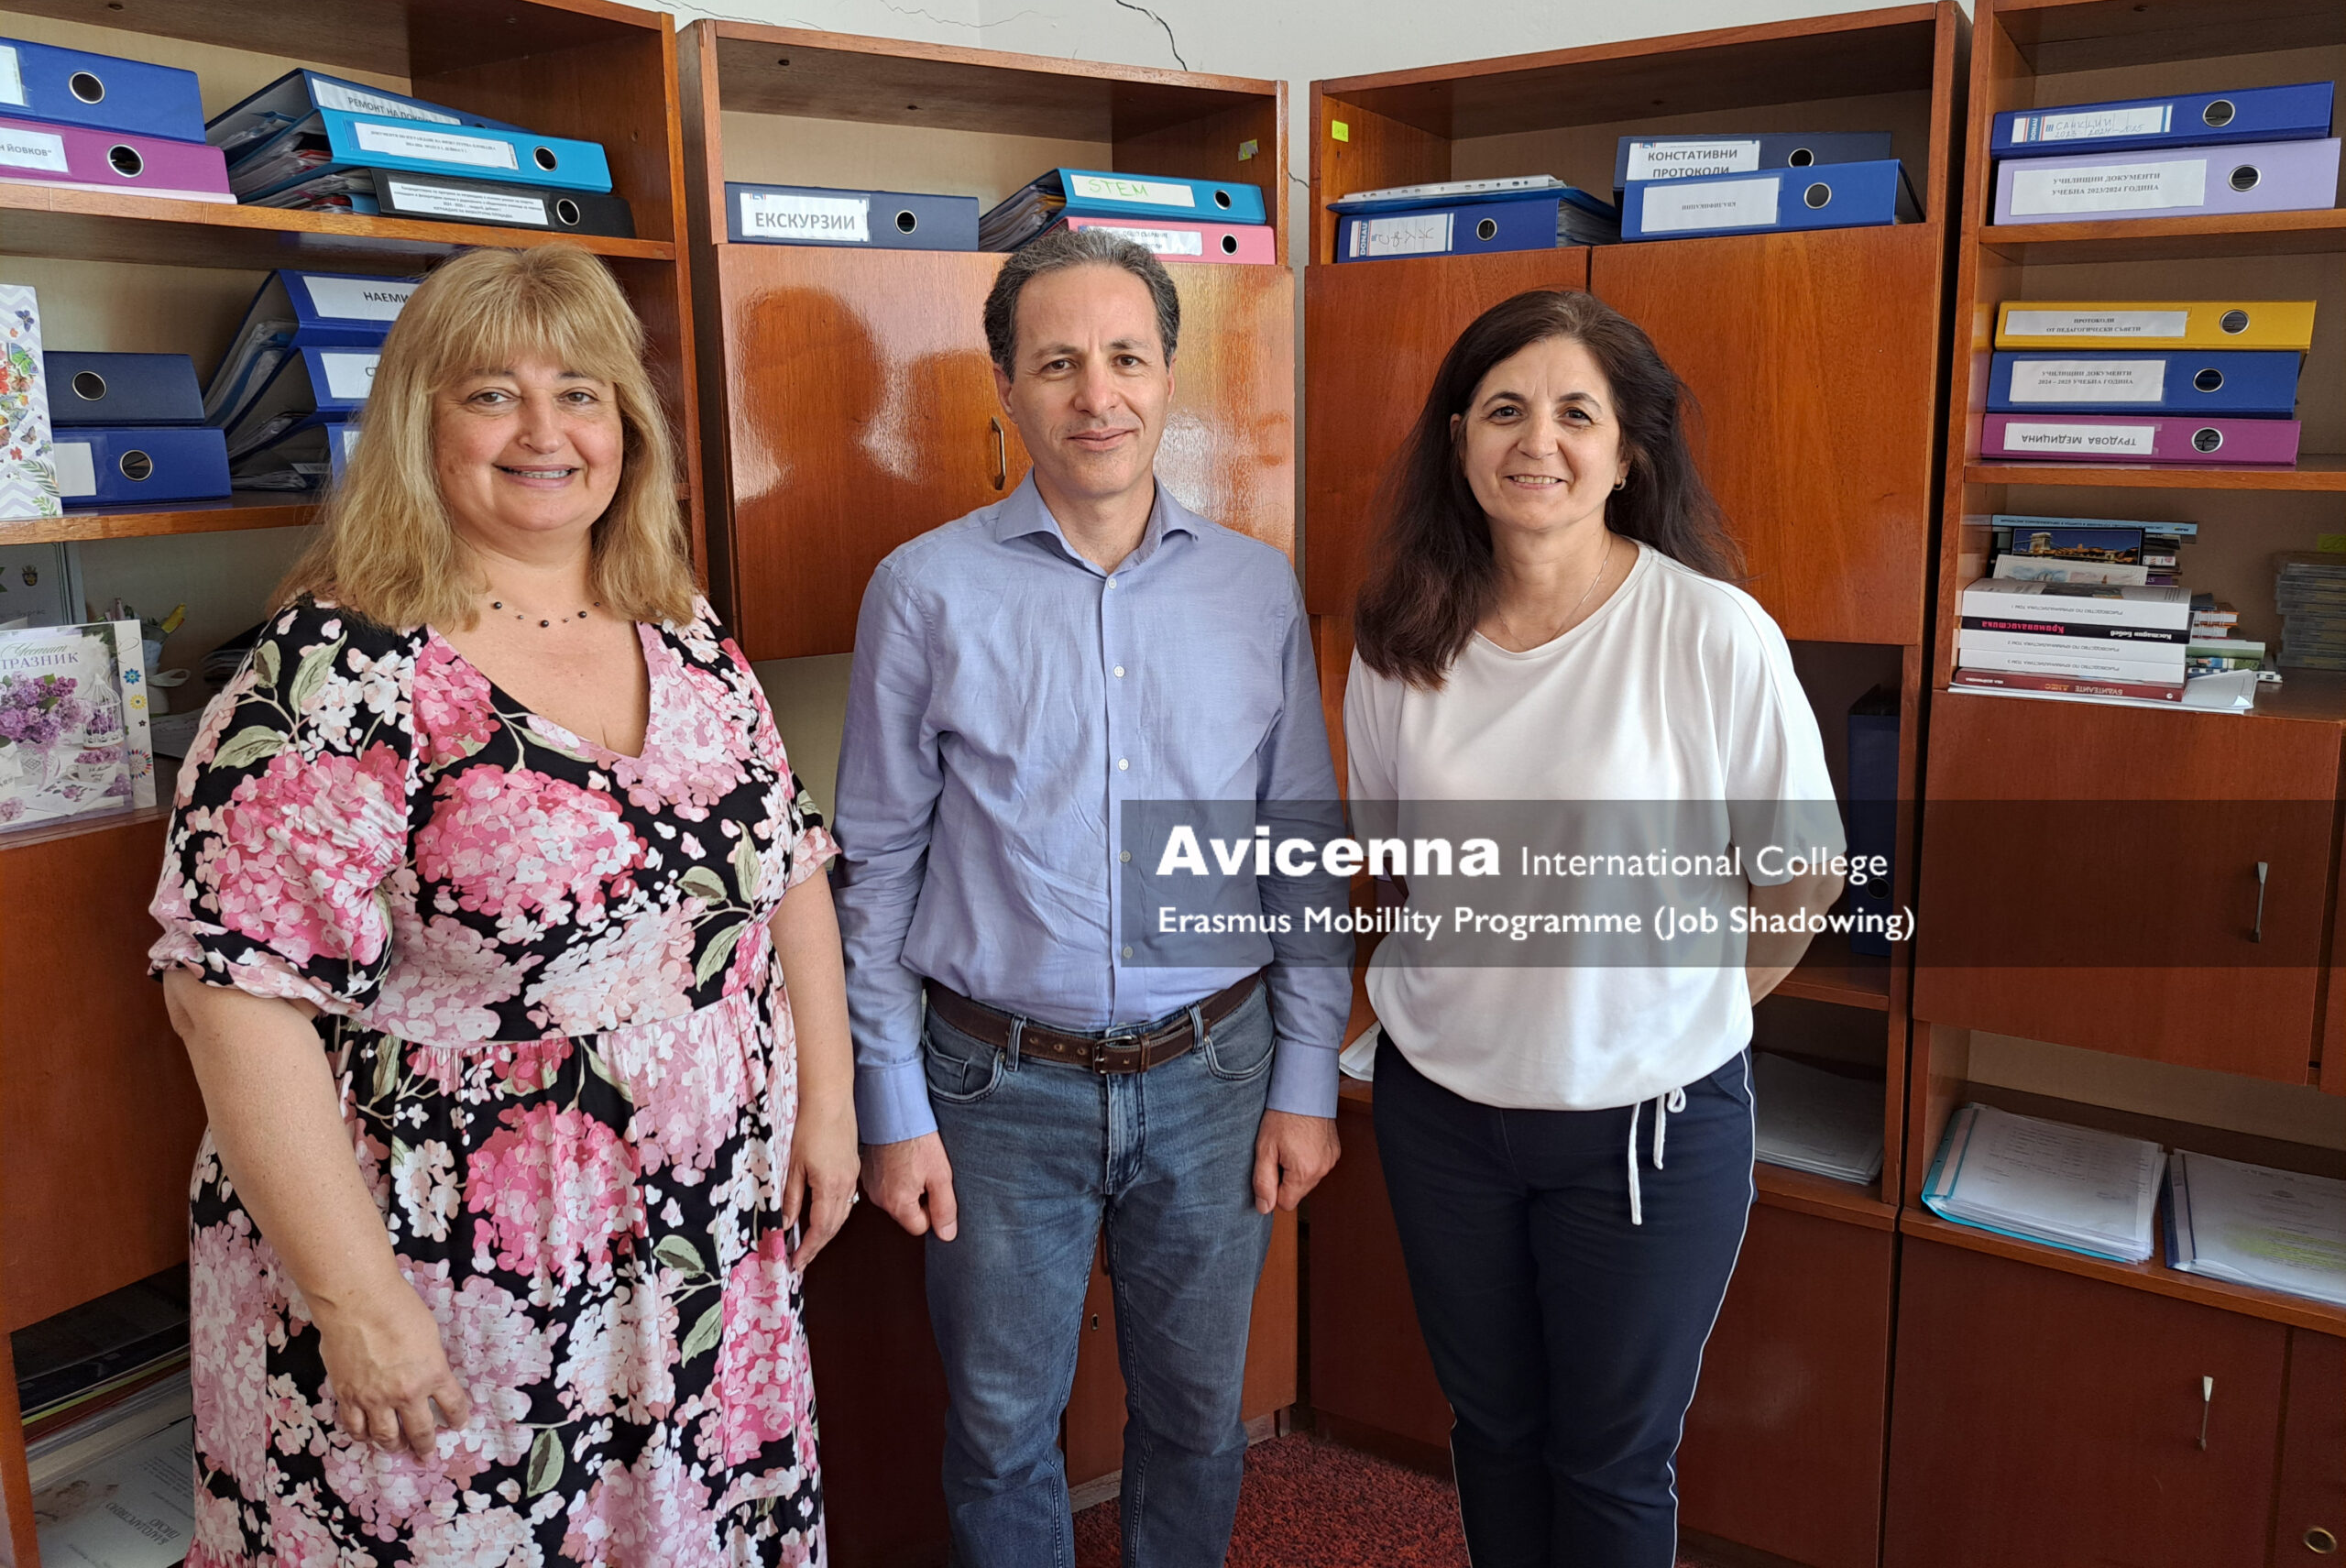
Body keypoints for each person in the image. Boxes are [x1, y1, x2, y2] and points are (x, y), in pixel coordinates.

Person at [149, 244, 856, 1567]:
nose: (546, 432)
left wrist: (828, 1108)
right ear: (420, 429)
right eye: (491, 395)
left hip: (699, 1234)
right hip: (452, 1265)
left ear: (626, 427)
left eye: (581, 392)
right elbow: (228, 997)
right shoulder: (338, 666)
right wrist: (355, 1303)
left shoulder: (679, 624)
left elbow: (788, 869)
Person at [833, 227, 1352, 1566]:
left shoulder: (1254, 586)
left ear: (1170, 375)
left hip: (1216, 1073)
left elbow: (1299, 842)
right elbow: (876, 864)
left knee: (1196, 1418)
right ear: (1006, 387)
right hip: (994, 1088)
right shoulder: (924, 590)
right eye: (1058, 362)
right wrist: (890, 1103)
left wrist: (1305, 1075)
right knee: (1002, 1431)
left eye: (1126, 357)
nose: (1097, 393)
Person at [1345, 289, 1847, 1568]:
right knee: (1493, 1431)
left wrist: (1670, 1015)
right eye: (1504, 410)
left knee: (1612, 1462)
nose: (1539, 441)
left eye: (1578, 413)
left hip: (1644, 1128)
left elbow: (1802, 877)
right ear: (1459, 440)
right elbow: (1392, 865)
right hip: (1440, 1112)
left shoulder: (1710, 632)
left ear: (1628, 453)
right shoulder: (1403, 635)